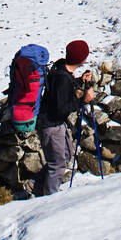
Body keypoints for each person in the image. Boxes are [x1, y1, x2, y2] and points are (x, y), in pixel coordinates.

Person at [34, 40, 96, 196]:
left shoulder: (61, 69)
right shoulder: (62, 77)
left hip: (53, 123)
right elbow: (62, 108)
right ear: (81, 58)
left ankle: (35, 186)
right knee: (58, 164)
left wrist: (79, 80)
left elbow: (63, 90)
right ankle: (50, 198)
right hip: (51, 125)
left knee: (66, 155)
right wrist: (84, 101)